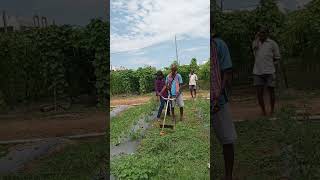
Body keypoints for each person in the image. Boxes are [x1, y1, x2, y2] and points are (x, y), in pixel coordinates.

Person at [211, 27, 237, 180]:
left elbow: (226, 73)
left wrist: (217, 96)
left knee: (227, 140)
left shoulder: (219, 45)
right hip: (208, 100)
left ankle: (228, 176)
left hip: (218, 101)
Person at [252, 26, 281, 116]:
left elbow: (277, 57)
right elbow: (255, 49)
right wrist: (257, 38)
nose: (261, 34)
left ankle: (272, 110)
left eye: (263, 32)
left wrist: (273, 65)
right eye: (260, 32)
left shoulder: (272, 44)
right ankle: (263, 111)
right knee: (259, 93)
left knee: (271, 91)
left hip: (269, 72)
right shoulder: (255, 43)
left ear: (267, 34)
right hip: (257, 72)